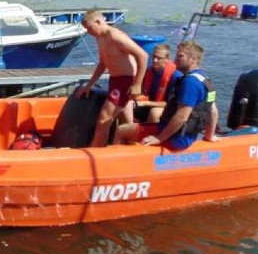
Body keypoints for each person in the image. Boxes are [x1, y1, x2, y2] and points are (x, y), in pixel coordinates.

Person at [114, 40, 219, 149]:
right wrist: (209, 136)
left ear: (193, 59)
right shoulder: (205, 80)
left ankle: (115, 163)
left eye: (180, 56)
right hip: (189, 136)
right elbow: (213, 111)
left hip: (176, 138)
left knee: (121, 130)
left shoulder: (190, 82)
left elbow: (181, 116)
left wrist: (159, 138)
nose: (175, 60)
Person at [76, 9, 148, 147]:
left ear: (98, 21)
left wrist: (138, 84)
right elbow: (103, 63)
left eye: (89, 28)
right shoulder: (100, 38)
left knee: (104, 118)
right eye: (86, 29)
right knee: (127, 121)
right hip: (115, 80)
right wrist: (89, 85)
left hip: (126, 81)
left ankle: (95, 150)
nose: (88, 32)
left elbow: (143, 55)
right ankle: (133, 148)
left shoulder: (115, 36)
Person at [134, 43, 183, 123]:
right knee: (125, 106)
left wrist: (145, 103)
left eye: (159, 58)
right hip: (148, 103)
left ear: (167, 59)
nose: (155, 60)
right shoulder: (148, 71)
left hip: (164, 109)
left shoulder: (175, 77)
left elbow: (170, 104)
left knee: (154, 112)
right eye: (153, 57)